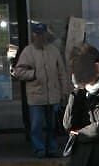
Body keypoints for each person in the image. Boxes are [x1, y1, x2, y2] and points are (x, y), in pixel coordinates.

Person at [11, 21, 68, 158]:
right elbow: (18, 71)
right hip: (36, 96)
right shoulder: (28, 52)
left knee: (52, 125)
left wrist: (64, 91)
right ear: (34, 35)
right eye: (38, 34)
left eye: (42, 34)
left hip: (52, 95)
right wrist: (33, 74)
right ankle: (39, 149)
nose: (41, 37)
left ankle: (52, 148)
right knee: (36, 125)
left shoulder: (53, 51)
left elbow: (62, 73)